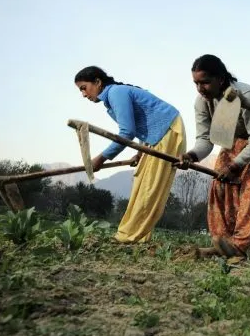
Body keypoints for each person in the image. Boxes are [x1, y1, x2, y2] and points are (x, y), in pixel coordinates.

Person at [180, 54, 250, 259]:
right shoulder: (202, 102)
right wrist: (192, 156)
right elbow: (205, 139)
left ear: (220, 79)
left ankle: (240, 247)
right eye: (196, 83)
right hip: (235, 139)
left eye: (205, 82)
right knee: (220, 184)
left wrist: (236, 165)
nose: (200, 88)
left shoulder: (246, 96)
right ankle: (224, 243)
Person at [74, 66, 186, 243]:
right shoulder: (113, 97)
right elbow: (144, 125)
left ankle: (128, 237)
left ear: (97, 82)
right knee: (142, 181)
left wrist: (102, 158)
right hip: (156, 135)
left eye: (83, 88)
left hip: (167, 130)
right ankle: (134, 235)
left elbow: (127, 132)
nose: (83, 94)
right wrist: (140, 153)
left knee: (150, 186)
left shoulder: (116, 93)